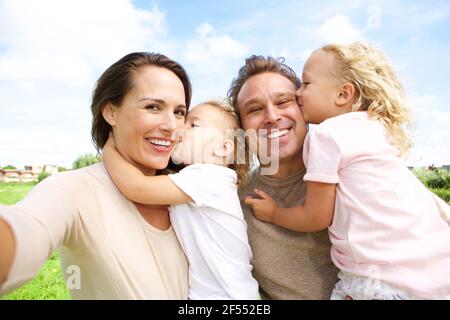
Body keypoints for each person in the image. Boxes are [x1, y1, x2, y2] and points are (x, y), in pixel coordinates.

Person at [246, 42, 450, 299]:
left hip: (379, 285)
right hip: (435, 275)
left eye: (305, 85)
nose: (299, 94)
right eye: (254, 109)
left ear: (343, 94)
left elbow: (317, 216)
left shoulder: (326, 136)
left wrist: (275, 213)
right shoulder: (376, 128)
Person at [0, 52, 192, 299]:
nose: (171, 126)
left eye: (179, 112)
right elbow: (28, 228)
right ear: (111, 112)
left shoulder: (191, 191)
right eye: (153, 107)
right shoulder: (73, 189)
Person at [101, 100, 260, 300]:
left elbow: (137, 187)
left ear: (222, 148)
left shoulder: (209, 178)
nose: (179, 128)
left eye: (194, 125)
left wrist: (109, 149)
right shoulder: (205, 180)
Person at [227, 55, 339, 300]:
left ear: (304, 108)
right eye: (255, 109)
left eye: (283, 102)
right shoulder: (232, 206)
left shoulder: (348, 172)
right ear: (241, 129)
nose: (272, 116)